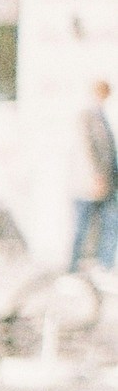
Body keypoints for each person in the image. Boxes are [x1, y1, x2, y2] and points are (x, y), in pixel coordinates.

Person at [71, 81, 116, 273]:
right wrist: (95, 175)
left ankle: (103, 264)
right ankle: (73, 266)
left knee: (109, 221)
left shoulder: (102, 116)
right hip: (89, 183)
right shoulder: (87, 115)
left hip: (105, 182)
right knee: (82, 224)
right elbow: (86, 147)